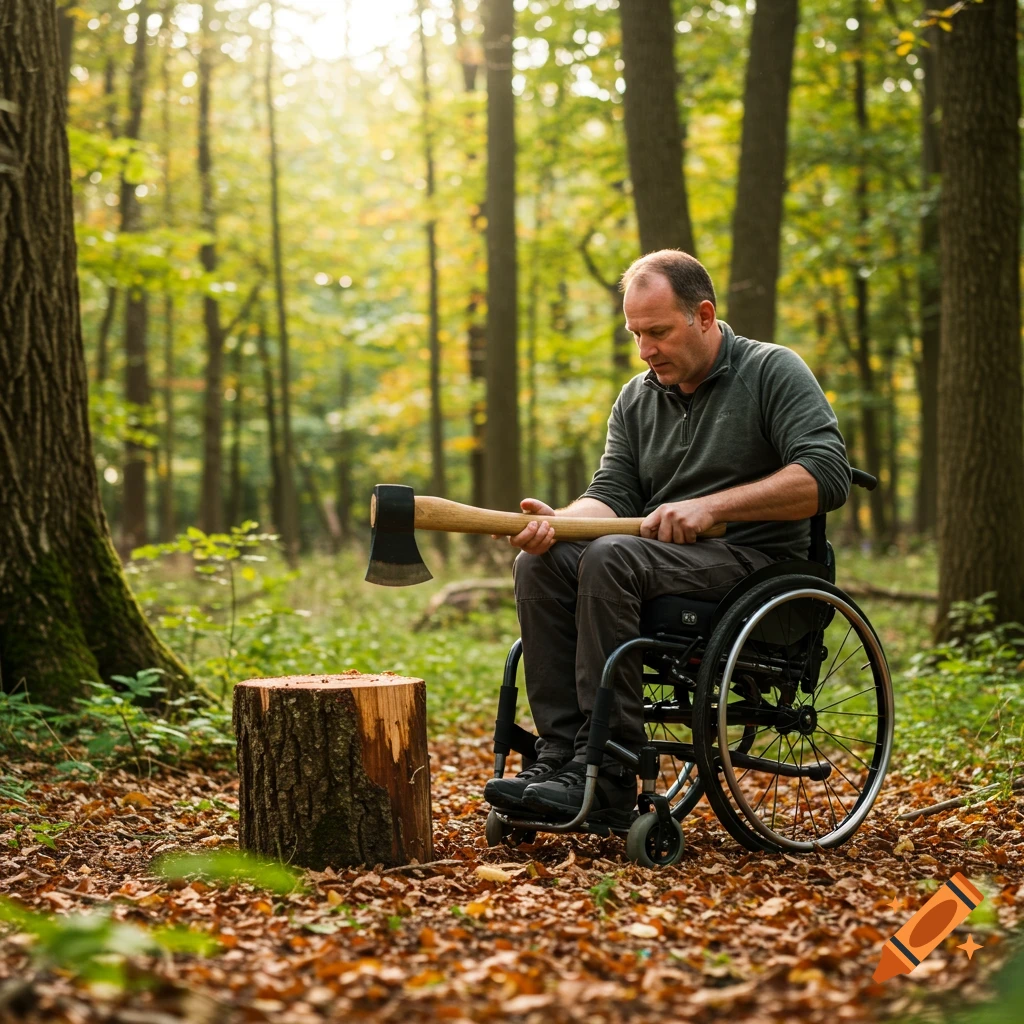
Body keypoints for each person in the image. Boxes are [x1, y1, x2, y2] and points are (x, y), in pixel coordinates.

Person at [483, 250, 851, 828]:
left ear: (703, 316)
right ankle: (560, 761)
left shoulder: (771, 370)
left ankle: (608, 776)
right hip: (661, 560)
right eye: (635, 334)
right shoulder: (636, 398)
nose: (645, 349)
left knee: (610, 558)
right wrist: (560, 524)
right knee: (543, 563)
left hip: (757, 569)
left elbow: (826, 473)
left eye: (657, 331)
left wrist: (710, 508)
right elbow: (611, 493)